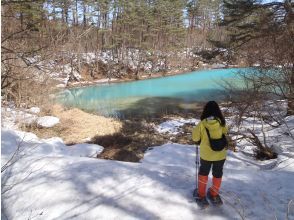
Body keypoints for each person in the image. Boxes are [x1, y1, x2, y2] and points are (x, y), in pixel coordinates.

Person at [192, 101, 228, 208]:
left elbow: (195, 138)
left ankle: (201, 195)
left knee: (203, 173)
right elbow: (225, 132)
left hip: (206, 155)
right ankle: (214, 194)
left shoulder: (202, 124)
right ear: (217, 110)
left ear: (205, 110)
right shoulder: (222, 122)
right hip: (220, 154)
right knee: (217, 174)